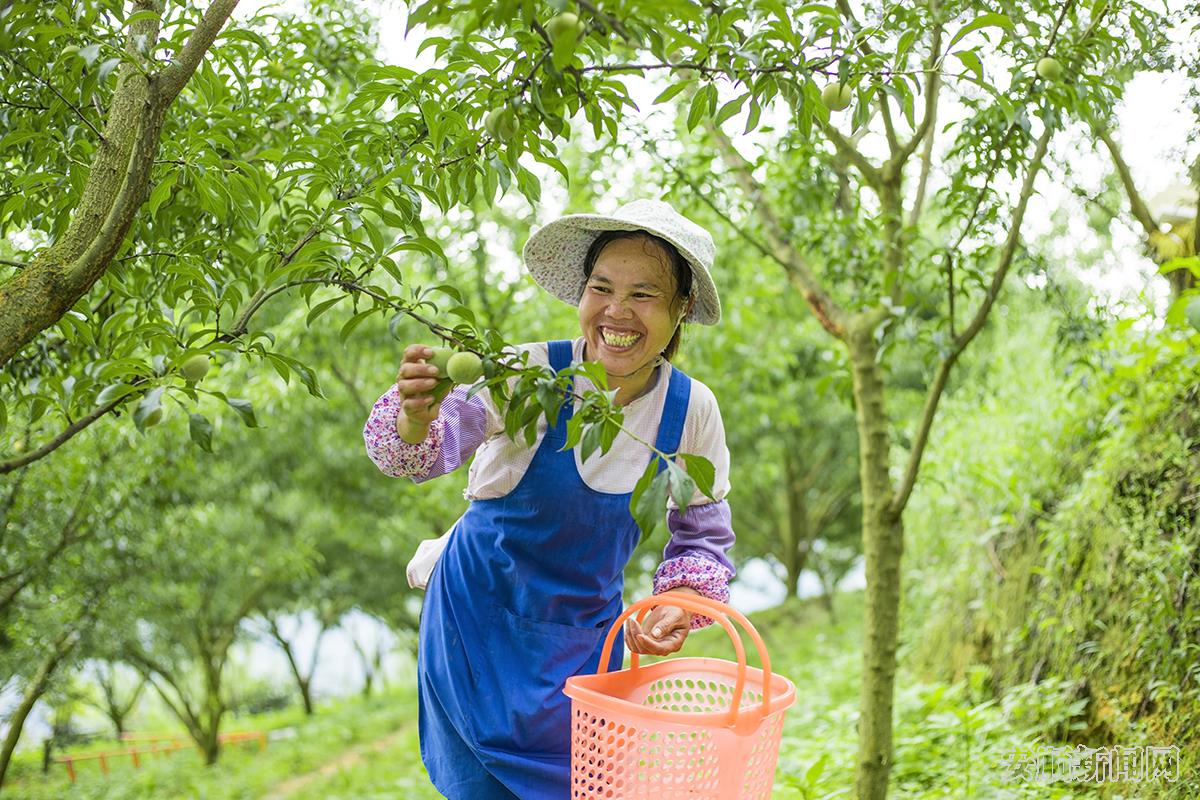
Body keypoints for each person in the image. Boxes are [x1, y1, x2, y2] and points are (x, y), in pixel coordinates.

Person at [363, 199, 737, 799]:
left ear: (682, 307)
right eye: (601, 288)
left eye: (643, 294)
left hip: (583, 642)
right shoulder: (530, 375)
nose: (617, 311)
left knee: (586, 785)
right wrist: (415, 417)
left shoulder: (690, 411)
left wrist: (681, 602)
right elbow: (429, 449)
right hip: (476, 627)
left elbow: (702, 537)